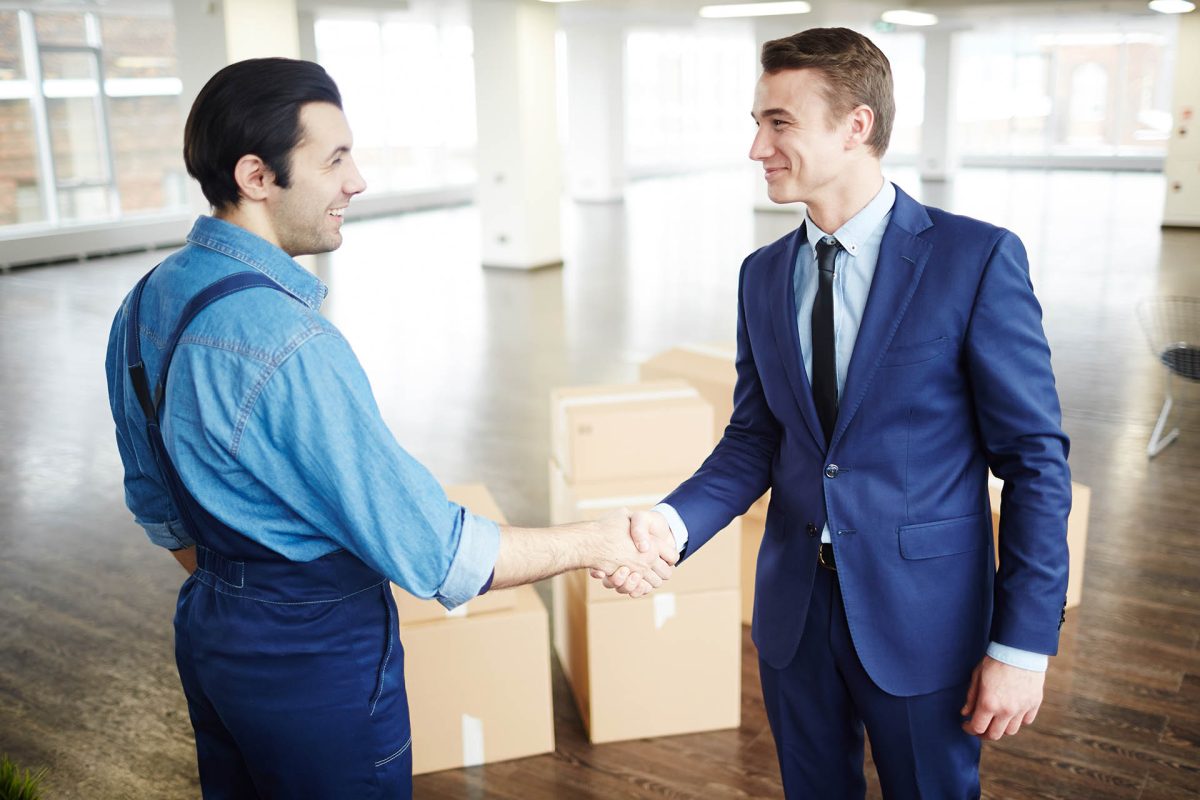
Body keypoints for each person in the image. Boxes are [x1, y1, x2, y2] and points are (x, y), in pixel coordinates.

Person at [105, 57, 677, 800]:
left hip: (212, 636)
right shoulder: (289, 346)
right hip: (314, 664)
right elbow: (438, 553)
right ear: (256, 176)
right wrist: (597, 541)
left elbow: (155, 503)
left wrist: (244, 592)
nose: (357, 181)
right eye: (335, 159)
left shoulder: (146, 299)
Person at [603, 27, 1071, 798]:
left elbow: (1035, 464)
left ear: (856, 126)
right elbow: (755, 438)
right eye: (757, 123)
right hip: (795, 615)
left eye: (778, 123)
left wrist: (1022, 646)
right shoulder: (762, 275)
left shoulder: (974, 260)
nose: (757, 148)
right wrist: (671, 524)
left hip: (925, 617)